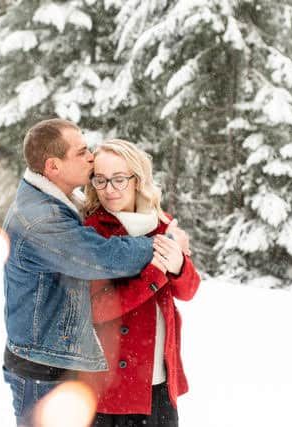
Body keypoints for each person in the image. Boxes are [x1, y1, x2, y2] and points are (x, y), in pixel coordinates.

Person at [1, 119, 188, 426]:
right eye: (82, 151)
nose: (91, 156)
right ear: (53, 166)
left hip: (55, 362)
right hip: (42, 370)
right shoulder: (41, 218)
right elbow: (101, 256)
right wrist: (164, 246)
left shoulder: (55, 203)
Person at [79, 139, 200, 427]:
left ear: (138, 179)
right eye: (101, 180)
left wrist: (180, 266)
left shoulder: (161, 225)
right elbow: (98, 308)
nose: (110, 189)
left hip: (158, 382)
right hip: (111, 389)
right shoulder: (91, 232)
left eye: (119, 179)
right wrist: (156, 272)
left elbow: (189, 290)